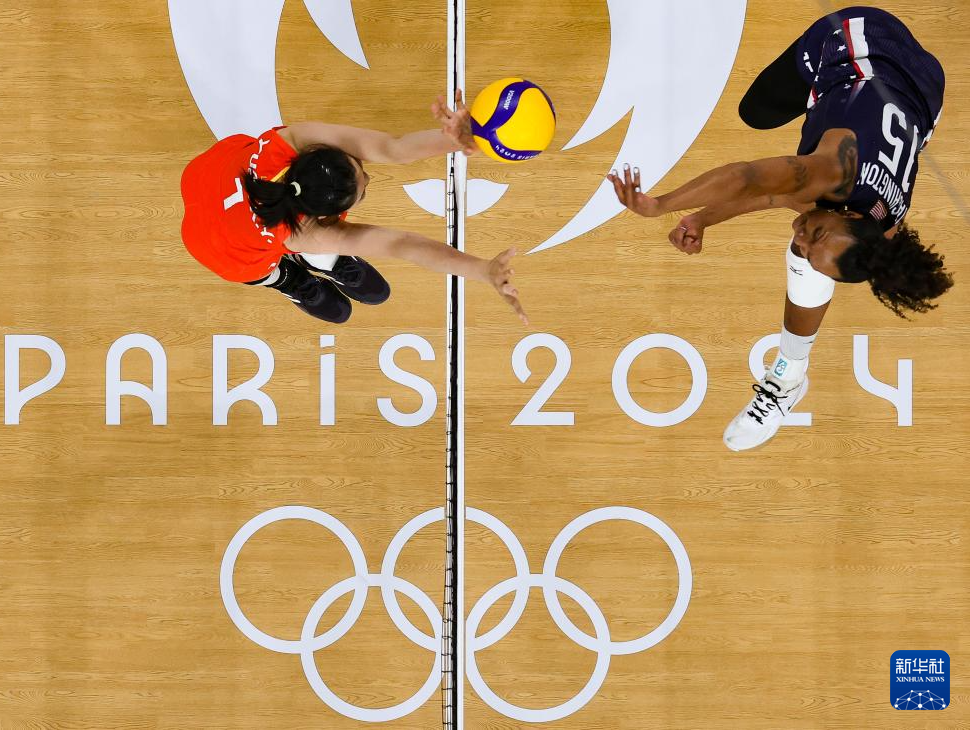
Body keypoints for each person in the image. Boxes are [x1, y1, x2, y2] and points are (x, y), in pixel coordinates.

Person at [608, 6, 951, 451]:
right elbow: (747, 177)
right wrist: (661, 205)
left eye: (807, 245)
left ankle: (788, 377)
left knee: (805, 259)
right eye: (815, 235)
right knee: (755, 111)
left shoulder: (883, 230)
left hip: (924, 92)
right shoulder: (835, 171)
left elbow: (777, 198)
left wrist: (704, 218)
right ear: (849, 214)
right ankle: (790, 374)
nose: (800, 235)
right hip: (863, 42)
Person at [181, 91, 526, 324]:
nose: (369, 178)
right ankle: (287, 278)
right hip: (219, 246)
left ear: (320, 152)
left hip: (206, 176)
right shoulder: (298, 233)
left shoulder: (291, 142)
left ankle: (323, 261)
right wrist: (481, 270)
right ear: (322, 218)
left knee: (320, 251)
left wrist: (460, 137)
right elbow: (403, 245)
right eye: (361, 193)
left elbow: (393, 148)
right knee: (266, 270)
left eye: (360, 170)